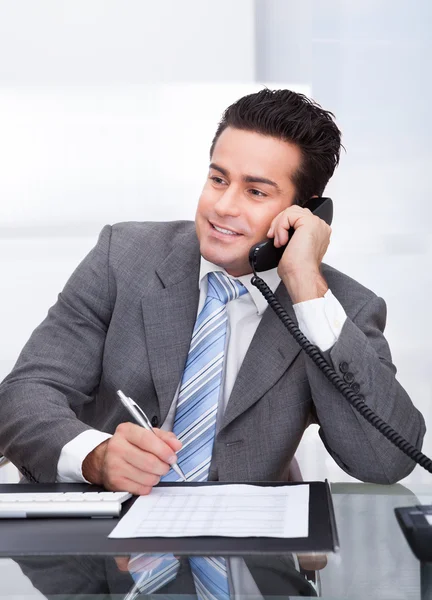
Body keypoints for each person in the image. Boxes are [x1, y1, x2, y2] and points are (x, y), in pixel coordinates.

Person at [0, 88, 425, 491]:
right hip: (99, 546)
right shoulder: (123, 256)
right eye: (218, 180)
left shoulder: (340, 308)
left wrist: (307, 290)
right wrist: (96, 455)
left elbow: (385, 460)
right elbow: (23, 394)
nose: (223, 206)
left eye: (255, 191)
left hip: (243, 550)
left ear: (306, 211)